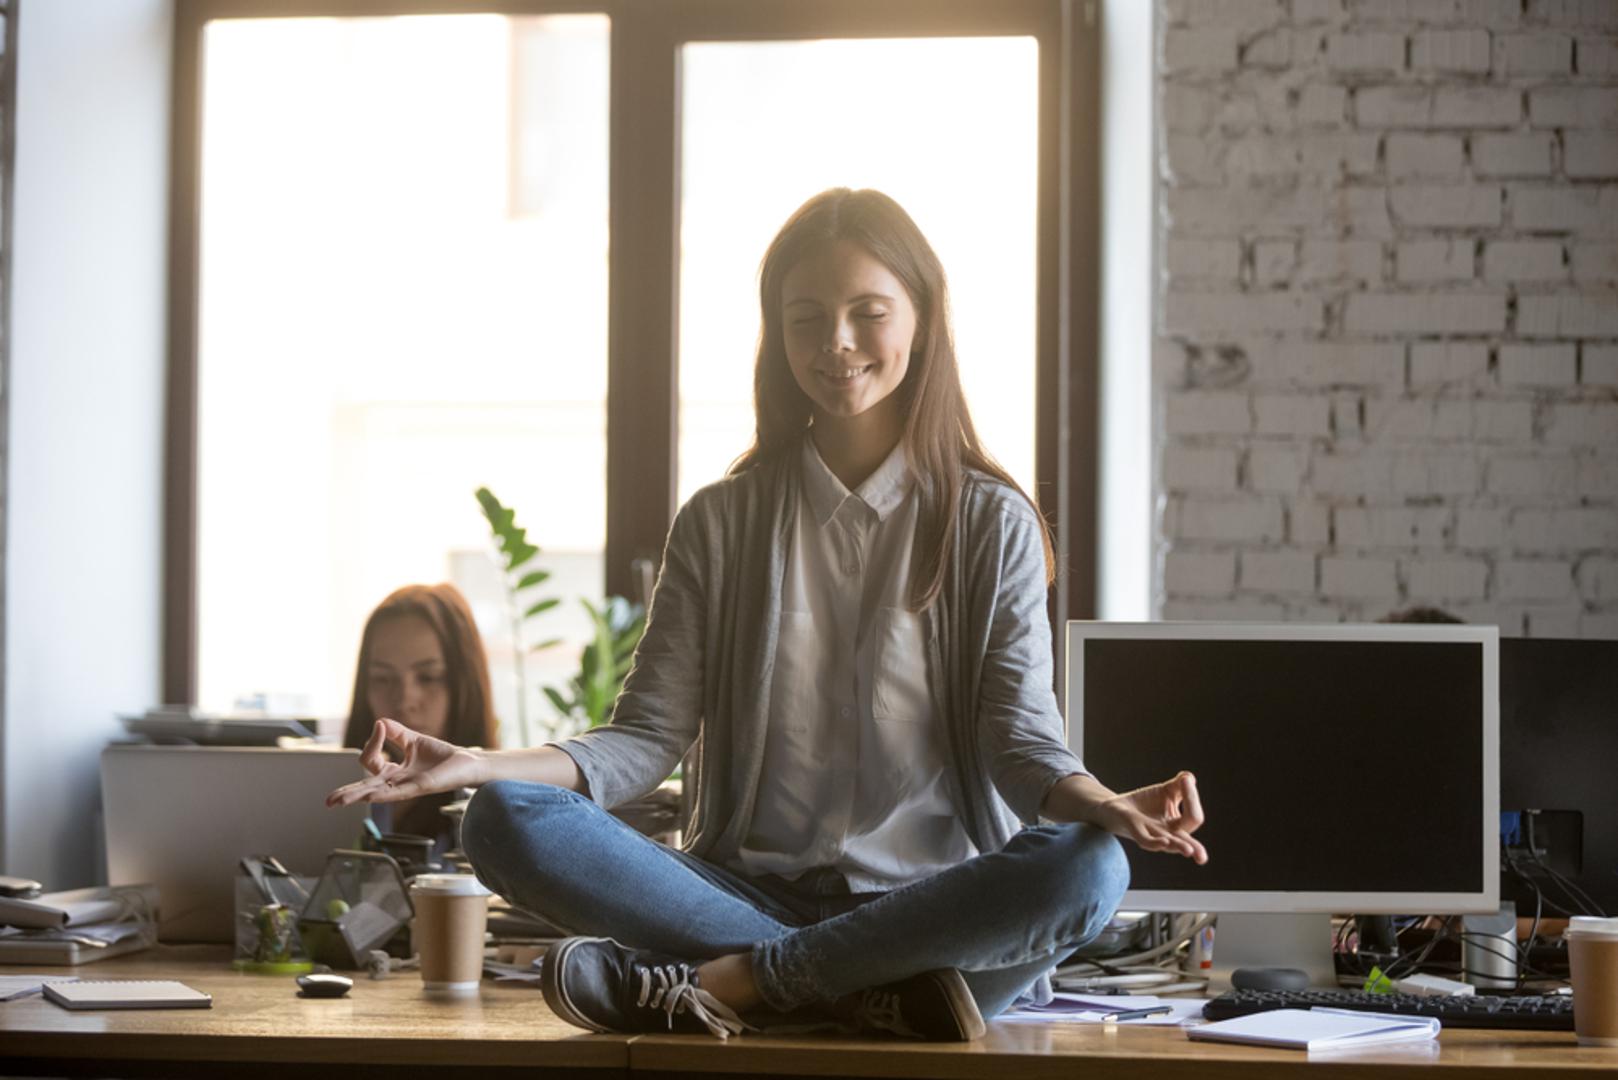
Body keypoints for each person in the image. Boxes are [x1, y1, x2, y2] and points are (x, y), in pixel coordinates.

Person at [329, 189, 1206, 1042]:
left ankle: (742, 984)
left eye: (869, 312)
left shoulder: (990, 523)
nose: (836, 343)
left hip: (932, 912)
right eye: (805, 318)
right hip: (742, 899)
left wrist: (1103, 802)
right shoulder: (721, 521)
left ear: (922, 320)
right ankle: (853, 993)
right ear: (774, 333)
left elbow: (1022, 743)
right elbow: (642, 740)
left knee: (1090, 864)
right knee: (502, 817)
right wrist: (476, 762)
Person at [342, 583, 500, 845]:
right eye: (382, 679)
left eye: (428, 677)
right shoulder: (339, 796)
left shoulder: (495, 808)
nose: (404, 700)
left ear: (466, 686)